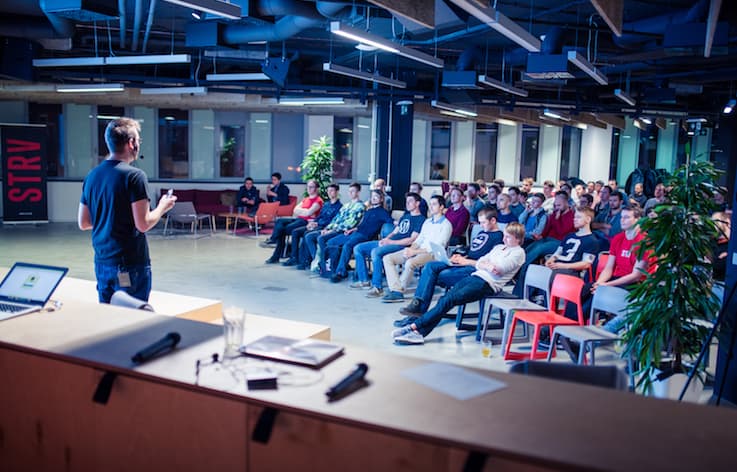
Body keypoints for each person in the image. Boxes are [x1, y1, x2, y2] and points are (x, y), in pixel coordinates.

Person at [78, 117, 176, 303]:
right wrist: (163, 206)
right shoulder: (134, 176)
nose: (139, 144)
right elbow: (143, 224)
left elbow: (84, 223)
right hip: (129, 265)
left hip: (102, 262)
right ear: (131, 143)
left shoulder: (92, 176)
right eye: (138, 140)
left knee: (109, 319)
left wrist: (110, 221)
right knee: (132, 319)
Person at [391, 223, 526, 345]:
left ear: (518, 239)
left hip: (488, 285)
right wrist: (485, 265)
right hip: (476, 276)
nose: (504, 239)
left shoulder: (518, 253)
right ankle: (417, 332)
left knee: (449, 300)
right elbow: (481, 262)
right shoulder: (499, 247)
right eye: (504, 236)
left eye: (508, 237)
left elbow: (498, 269)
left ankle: (414, 328)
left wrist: (485, 265)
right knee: (445, 300)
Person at [396, 207, 504, 320]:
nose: (481, 225)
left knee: (435, 276)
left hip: (474, 269)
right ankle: (417, 304)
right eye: (480, 222)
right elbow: (474, 251)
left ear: (493, 221)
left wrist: (466, 261)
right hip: (464, 261)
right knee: (430, 266)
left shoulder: (498, 237)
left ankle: (419, 313)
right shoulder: (483, 232)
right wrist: (460, 257)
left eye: (483, 222)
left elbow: (489, 261)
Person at [381, 195, 452, 302]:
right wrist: (410, 249)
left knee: (410, 262)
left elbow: (436, 247)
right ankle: (396, 288)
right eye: (430, 204)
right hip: (418, 250)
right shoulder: (428, 222)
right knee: (388, 258)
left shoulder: (446, 225)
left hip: (433, 254)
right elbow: (419, 240)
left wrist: (414, 252)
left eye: (434, 204)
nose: (431, 207)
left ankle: (398, 292)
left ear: (441, 207)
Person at [351, 193, 425, 293]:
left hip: (401, 246)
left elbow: (411, 240)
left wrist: (390, 241)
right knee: (358, 248)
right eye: (406, 201)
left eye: (410, 201)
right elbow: (395, 231)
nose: (407, 203)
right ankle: (364, 280)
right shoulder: (405, 216)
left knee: (376, 252)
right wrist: (386, 239)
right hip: (391, 242)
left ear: (417, 203)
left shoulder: (421, 219)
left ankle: (377, 287)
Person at [512, 191, 574, 297]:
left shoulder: (571, 215)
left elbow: (562, 232)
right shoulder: (554, 213)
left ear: (566, 202)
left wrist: (557, 218)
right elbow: (547, 229)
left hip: (560, 242)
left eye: (559, 205)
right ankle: (519, 267)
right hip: (548, 239)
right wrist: (541, 236)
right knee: (530, 247)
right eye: (555, 204)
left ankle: (521, 268)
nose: (556, 207)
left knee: (539, 248)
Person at [324, 190, 393, 282]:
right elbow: (361, 225)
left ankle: (340, 272)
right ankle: (334, 268)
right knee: (332, 242)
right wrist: (351, 230)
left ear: (381, 199)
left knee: (347, 245)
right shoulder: (368, 210)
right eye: (372, 196)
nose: (373, 198)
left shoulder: (383, 212)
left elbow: (390, 222)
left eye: (376, 196)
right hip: (356, 232)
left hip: (365, 236)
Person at [305, 182, 365, 271]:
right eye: (349, 191)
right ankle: (319, 261)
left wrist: (332, 230)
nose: (350, 193)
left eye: (353, 191)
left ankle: (324, 263)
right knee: (309, 236)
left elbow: (350, 223)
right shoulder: (346, 205)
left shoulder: (360, 206)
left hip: (342, 230)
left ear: (358, 192)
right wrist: (327, 228)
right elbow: (336, 219)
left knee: (321, 238)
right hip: (334, 228)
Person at [264, 180, 323, 264]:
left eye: (311, 187)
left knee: (281, 230)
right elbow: (295, 210)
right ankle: (273, 240)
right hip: (298, 219)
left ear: (316, 189)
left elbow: (308, 213)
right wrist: (305, 211)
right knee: (279, 221)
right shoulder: (306, 199)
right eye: (308, 186)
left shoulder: (318, 201)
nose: (309, 188)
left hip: (306, 221)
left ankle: (277, 255)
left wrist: (303, 211)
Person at [284, 184, 342, 267]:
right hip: (317, 224)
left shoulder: (339, 207)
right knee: (296, 232)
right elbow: (319, 216)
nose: (329, 193)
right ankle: (295, 258)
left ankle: (309, 260)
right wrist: (313, 222)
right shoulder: (326, 204)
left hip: (324, 227)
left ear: (336, 192)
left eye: (331, 191)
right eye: (328, 191)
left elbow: (332, 221)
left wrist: (317, 224)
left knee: (307, 234)